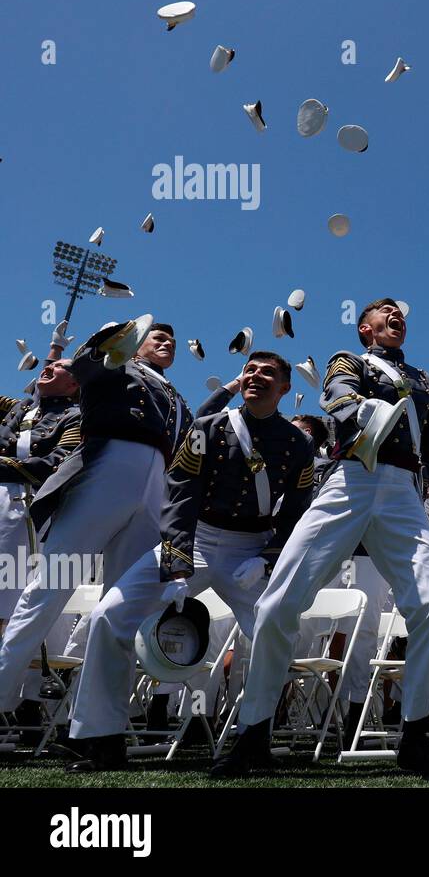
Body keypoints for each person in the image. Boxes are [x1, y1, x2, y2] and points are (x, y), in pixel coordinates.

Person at [213, 298, 429, 778]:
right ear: (365, 329)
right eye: (384, 312)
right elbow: (340, 396)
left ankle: (413, 735)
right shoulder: (349, 361)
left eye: (400, 312)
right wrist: (369, 410)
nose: (396, 315)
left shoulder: (426, 380)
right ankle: (254, 731)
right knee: (278, 603)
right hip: (351, 478)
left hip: (403, 491)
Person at [64, 351, 315, 772]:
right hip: (195, 540)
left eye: (268, 373)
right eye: (250, 370)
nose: (256, 377)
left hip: (251, 550)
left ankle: (254, 739)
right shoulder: (208, 427)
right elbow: (181, 490)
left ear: (285, 388)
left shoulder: (298, 444)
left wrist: (269, 559)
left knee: (274, 634)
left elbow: (298, 511)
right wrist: (178, 556)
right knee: (110, 615)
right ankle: (102, 738)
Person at [0, 320, 191, 714]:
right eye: (158, 336)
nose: (167, 343)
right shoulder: (115, 365)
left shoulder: (177, 397)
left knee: (122, 606)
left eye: (172, 340)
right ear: (135, 344)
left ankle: (95, 722)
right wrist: (110, 339)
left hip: (157, 481)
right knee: (50, 587)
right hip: (107, 463)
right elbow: (84, 365)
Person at [0, 324, 81, 626]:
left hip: (23, 505)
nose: (49, 369)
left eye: (59, 368)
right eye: (50, 366)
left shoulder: (75, 417)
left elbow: (54, 465)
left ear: (74, 385)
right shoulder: (18, 407)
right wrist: (54, 349)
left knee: (5, 592)